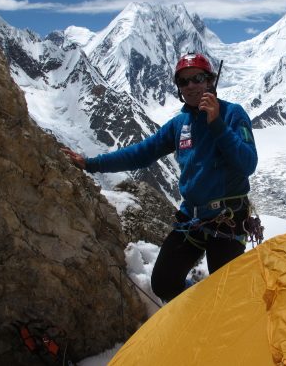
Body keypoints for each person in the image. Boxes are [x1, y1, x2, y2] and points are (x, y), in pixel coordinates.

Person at [61, 52, 258, 302]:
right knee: (163, 283)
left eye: (197, 78)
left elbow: (247, 163)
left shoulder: (233, 114)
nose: (191, 86)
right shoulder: (180, 125)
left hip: (228, 220)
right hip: (193, 219)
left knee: (228, 294)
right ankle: (199, 310)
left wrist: (217, 123)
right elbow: (141, 153)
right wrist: (91, 164)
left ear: (210, 81)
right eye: (184, 82)